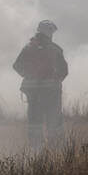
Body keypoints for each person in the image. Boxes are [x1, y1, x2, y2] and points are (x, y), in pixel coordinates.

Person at [12, 20, 67, 149]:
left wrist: (29, 75)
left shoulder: (28, 48)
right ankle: (56, 152)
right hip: (52, 94)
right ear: (49, 33)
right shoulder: (55, 50)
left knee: (35, 123)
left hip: (33, 94)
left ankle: (36, 152)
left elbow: (16, 66)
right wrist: (55, 80)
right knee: (54, 122)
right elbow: (64, 71)